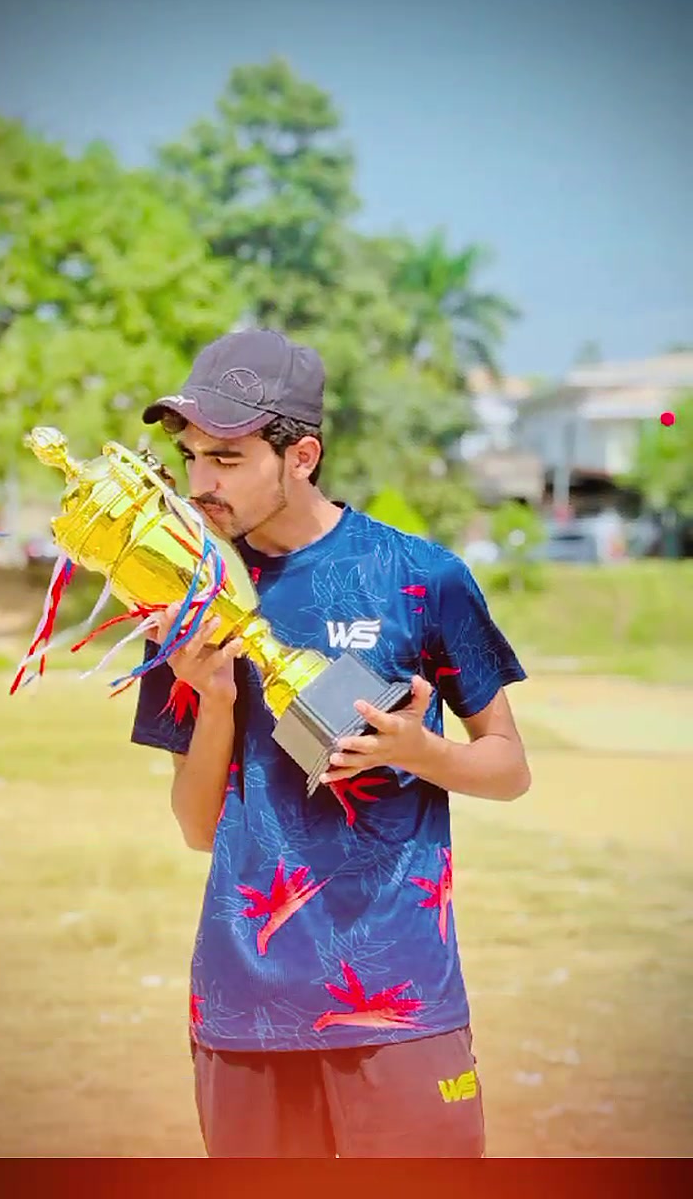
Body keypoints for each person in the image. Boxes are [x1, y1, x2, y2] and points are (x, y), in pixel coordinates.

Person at [130, 328, 530, 1159]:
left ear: (302, 456)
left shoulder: (420, 577)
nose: (200, 484)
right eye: (191, 456)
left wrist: (419, 752)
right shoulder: (185, 596)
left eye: (227, 459)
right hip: (245, 1007)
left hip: (401, 1003)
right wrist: (213, 700)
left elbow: (509, 766)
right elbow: (198, 828)